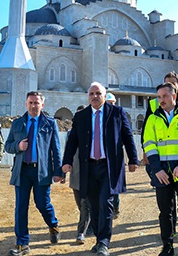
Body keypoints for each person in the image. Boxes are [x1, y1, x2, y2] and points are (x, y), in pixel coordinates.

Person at [63, 82, 139, 256]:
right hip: (88, 167)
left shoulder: (117, 113)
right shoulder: (81, 116)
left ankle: (104, 243)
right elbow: (73, 140)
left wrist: (133, 159)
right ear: (88, 96)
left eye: (98, 93)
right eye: (91, 94)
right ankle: (99, 239)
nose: (94, 96)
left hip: (109, 167)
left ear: (105, 96)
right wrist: (67, 161)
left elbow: (127, 136)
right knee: (94, 205)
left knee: (106, 203)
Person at [143, 82, 178, 256]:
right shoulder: (153, 118)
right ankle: (167, 244)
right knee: (165, 210)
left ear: (174, 96)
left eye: (165, 96)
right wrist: (157, 169)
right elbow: (149, 143)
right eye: (159, 97)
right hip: (162, 172)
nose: (161, 100)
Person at [5, 92, 64, 256]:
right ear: (26, 104)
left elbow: (56, 150)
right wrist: (18, 146)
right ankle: (22, 243)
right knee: (21, 207)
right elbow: (7, 146)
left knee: (42, 204)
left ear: (42, 105)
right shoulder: (17, 123)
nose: (33, 106)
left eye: (36, 103)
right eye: (30, 102)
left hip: (42, 172)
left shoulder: (50, 124)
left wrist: (58, 171)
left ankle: (53, 225)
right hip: (22, 171)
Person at [67, 105, 91, 245]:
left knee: (85, 204)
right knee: (80, 204)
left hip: (89, 174)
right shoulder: (71, 134)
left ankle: (81, 232)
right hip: (75, 174)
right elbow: (67, 153)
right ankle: (90, 223)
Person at [104, 92, 123, 220]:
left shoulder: (118, 116)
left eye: (114, 103)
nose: (113, 106)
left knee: (114, 186)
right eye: (110, 103)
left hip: (115, 157)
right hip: (102, 159)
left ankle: (115, 208)